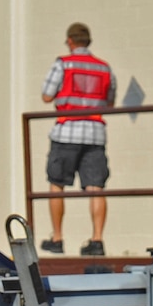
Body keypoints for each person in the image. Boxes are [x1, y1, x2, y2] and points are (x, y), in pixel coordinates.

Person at [40, 23, 116, 257]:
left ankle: (57, 238)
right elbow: (110, 101)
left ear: (70, 41)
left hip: (67, 131)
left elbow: (46, 95)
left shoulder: (63, 63)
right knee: (96, 187)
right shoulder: (104, 68)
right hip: (95, 134)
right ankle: (97, 240)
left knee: (57, 183)